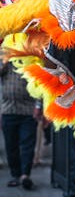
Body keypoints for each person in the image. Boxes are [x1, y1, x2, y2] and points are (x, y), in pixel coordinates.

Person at [0, 61, 42, 190]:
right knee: (11, 145)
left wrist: (38, 106)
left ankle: (25, 175)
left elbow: (38, 84)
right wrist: (5, 62)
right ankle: (15, 175)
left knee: (27, 144)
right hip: (8, 110)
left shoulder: (30, 59)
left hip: (28, 111)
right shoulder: (4, 59)